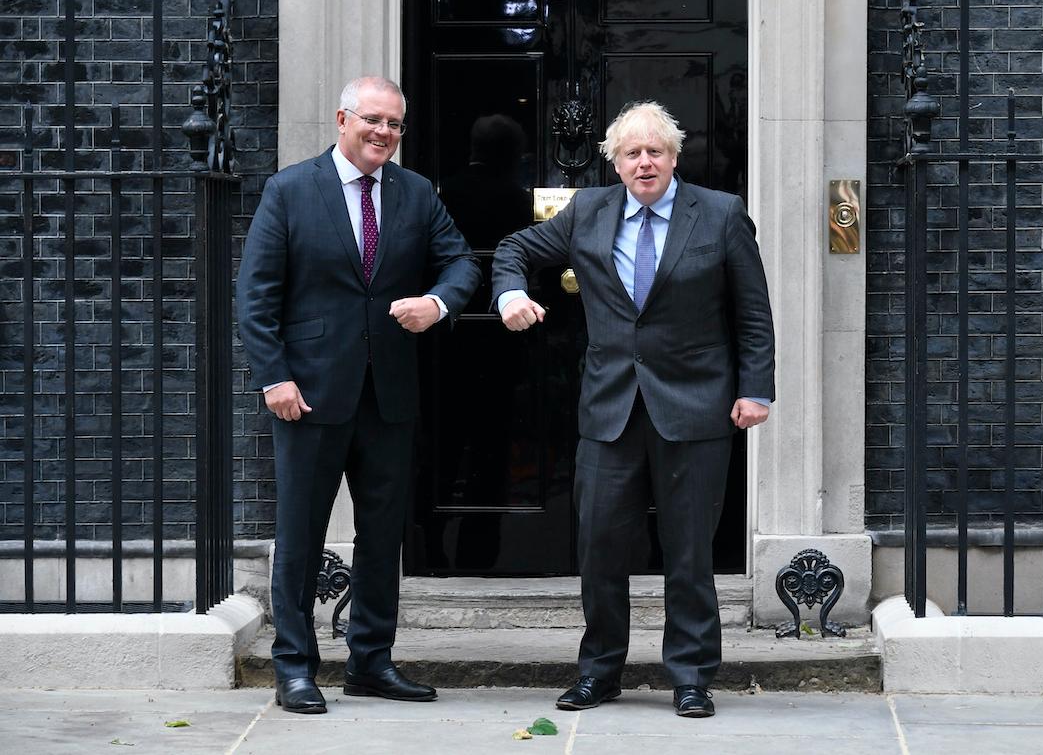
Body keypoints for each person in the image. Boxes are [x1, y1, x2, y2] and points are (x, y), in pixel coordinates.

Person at [492, 101, 776, 719]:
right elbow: (514, 247)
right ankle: (599, 671)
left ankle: (692, 676)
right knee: (599, 545)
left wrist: (757, 389)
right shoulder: (587, 213)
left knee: (690, 550)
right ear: (615, 163)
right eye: (631, 153)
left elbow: (752, 311)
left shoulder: (721, 214)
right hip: (610, 406)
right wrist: (511, 291)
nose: (643, 162)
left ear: (674, 157)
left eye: (655, 151)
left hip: (696, 406)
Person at [237, 76, 480, 714]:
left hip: (389, 395)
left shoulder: (416, 192)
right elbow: (256, 297)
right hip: (309, 393)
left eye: (395, 124)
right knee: (300, 535)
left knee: (381, 536)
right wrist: (275, 376)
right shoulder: (290, 189)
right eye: (373, 120)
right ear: (343, 119)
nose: (384, 133)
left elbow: (462, 262)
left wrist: (437, 301)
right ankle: (294, 666)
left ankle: (371, 662)